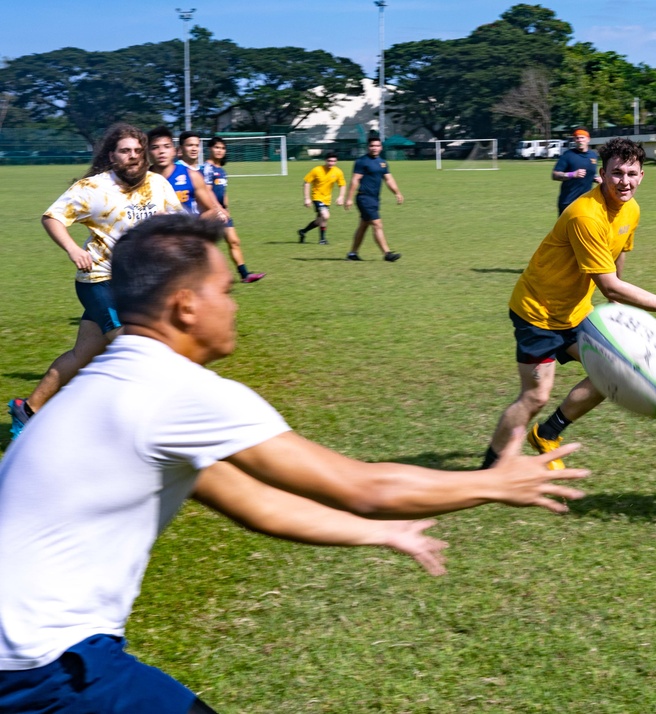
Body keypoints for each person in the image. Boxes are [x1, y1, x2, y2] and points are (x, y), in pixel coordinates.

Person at [0, 212, 587, 714]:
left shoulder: (105, 382)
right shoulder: (174, 390)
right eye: (224, 290)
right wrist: (492, 482)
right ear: (184, 306)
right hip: (45, 665)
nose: (233, 304)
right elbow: (363, 485)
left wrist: (379, 534)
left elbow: (257, 505)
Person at [481, 137, 656, 471]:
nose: (624, 181)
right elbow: (609, 282)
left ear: (642, 176)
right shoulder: (585, 215)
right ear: (602, 174)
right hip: (538, 312)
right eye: (616, 173)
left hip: (576, 312)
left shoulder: (631, 209)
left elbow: (618, 254)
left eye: (632, 173)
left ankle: (547, 434)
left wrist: (613, 300)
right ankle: (488, 470)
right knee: (536, 396)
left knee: (616, 371)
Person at [7, 122, 184, 439]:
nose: (133, 156)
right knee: (133, 349)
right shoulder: (92, 188)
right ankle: (132, 427)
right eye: (125, 150)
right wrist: (73, 248)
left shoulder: (158, 184)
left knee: (81, 356)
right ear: (111, 155)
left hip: (137, 284)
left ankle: (27, 408)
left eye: (138, 151)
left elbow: (176, 220)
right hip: (100, 280)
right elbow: (52, 218)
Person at [149, 127, 265, 284]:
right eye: (155, 147)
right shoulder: (143, 178)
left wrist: (195, 224)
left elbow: (210, 204)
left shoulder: (194, 175)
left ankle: (242, 273)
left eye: (166, 147)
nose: (161, 152)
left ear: (174, 150)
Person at [202, 136, 266, 283]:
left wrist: (226, 208)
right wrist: (218, 209)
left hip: (222, 211)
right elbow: (207, 191)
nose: (220, 150)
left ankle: (245, 275)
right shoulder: (207, 168)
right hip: (210, 212)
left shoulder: (222, 171)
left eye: (222, 148)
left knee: (234, 241)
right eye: (216, 147)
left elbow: (223, 192)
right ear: (210, 149)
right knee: (207, 246)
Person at [344, 137, 402, 262]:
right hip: (364, 197)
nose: (374, 148)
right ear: (368, 147)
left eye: (377, 146)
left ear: (381, 147)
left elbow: (389, 179)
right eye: (372, 146)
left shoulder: (382, 162)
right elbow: (355, 180)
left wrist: (397, 193)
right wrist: (348, 198)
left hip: (375, 199)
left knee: (364, 225)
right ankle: (387, 253)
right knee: (377, 223)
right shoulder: (362, 161)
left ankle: (352, 254)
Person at [552, 128, 602, 215]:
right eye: (577, 138)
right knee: (565, 229)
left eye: (582, 137)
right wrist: (572, 174)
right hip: (568, 202)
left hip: (585, 202)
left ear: (588, 139)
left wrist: (596, 178)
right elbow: (555, 175)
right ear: (574, 140)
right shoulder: (568, 155)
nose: (580, 140)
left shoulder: (593, 156)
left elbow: (591, 173)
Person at [299, 151, 345, 245]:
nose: (331, 163)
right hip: (317, 197)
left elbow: (342, 185)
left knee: (319, 220)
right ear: (325, 160)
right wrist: (307, 198)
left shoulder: (338, 171)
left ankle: (303, 231)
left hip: (327, 199)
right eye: (329, 161)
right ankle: (322, 240)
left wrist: (341, 197)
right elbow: (306, 182)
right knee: (326, 215)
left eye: (333, 161)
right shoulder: (317, 170)